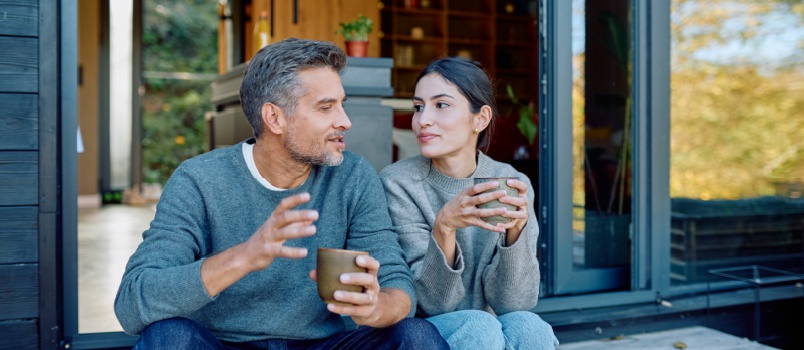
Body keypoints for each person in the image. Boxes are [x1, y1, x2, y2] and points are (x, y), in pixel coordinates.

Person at [114, 38, 448, 350]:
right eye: (325, 107)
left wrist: (376, 307)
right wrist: (244, 257)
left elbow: (399, 287)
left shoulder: (352, 176)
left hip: (320, 344)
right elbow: (132, 304)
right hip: (221, 344)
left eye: (341, 105)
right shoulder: (199, 180)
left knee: (415, 334)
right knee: (168, 337)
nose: (345, 121)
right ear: (274, 117)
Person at [380, 57, 559, 350]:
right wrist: (444, 226)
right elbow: (432, 304)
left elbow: (515, 303)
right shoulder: (399, 183)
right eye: (418, 107)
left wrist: (516, 235)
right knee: (479, 326)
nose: (423, 119)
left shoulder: (511, 181)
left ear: (481, 118)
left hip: (487, 329)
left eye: (441, 105)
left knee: (530, 327)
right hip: (423, 333)